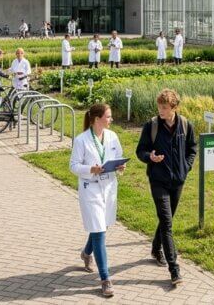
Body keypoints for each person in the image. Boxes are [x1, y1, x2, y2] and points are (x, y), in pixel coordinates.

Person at [135, 89, 196, 286]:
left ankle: (155, 247)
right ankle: (174, 269)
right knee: (167, 223)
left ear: (174, 108)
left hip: (178, 181)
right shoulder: (151, 126)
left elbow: (192, 148)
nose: (160, 111)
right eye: (159, 107)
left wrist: (186, 167)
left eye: (164, 108)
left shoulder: (185, 125)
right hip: (158, 180)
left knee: (166, 219)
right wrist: (149, 157)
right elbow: (140, 150)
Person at [70, 103, 126, 298]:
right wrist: (90, 169)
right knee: (99, 231)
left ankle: (86, 253)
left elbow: (118, 157)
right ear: (96, 119)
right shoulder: (81, 140)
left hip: (108, 188)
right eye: (108, 117)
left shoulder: (112, 137)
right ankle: (105, 279)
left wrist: (120, 166)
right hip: (91, 189)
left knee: (101, 227)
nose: (111, 120)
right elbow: (74, 166)